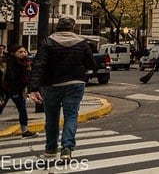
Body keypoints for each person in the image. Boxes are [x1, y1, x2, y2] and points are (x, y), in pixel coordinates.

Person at [28, 16, 95, 160]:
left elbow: (39, 65)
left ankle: (51, 148)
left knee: (51, 117)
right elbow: (91, 63)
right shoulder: (82, 43)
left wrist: (33, 88)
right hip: (75, 83)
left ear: (57, 27)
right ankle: (67, 148)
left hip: (51, 84)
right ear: (73, 27)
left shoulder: (48, 42)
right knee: (71, 115)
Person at [1, 46, 38, 137]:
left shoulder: (26, 63)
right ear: (14, 53)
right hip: (5, 90)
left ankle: (25, 131)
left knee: (22, 110)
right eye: (20, 52)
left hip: (18, 90)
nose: (23, 53)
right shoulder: (7, 62)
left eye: (24, 51)